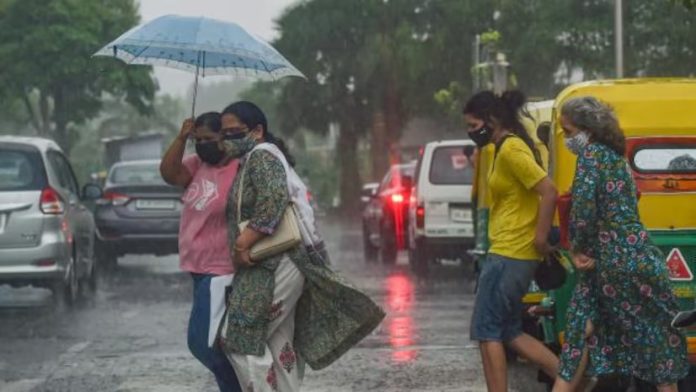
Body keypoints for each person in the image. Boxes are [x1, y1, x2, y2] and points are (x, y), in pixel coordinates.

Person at [215, 101, 385, 392]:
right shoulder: (256, 159)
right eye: (224, 133)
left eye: (235, 132)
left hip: (273, 262)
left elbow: (273, 200)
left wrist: (244, 243)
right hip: (280, 262)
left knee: (239, 337)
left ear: (257, 131)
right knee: (279, 343)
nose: (227, 139)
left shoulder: (262, 156)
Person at [553, 97, 688, 392]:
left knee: (579, 332)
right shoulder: (617, 158)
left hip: (610, 263)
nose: (567, 138)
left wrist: (576, 249)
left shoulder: (590, 157)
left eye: (568, 131)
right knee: (658, 340)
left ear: (587, 129)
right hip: (642, 258)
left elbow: (584, 211)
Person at [464, 90, 560, 392]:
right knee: (508, 330)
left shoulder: (511, 150)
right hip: (512, 253)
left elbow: (549, 191)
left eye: (473, 124)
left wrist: (541, 239)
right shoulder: (501, 149)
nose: (470, 132)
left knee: (487, 330)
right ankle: (570, 377)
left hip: (509, 253)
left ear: (491, 120)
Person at [160, 112, 242, 392]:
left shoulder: (239, 168)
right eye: (199, 139)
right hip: (197, 268)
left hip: (222, 270)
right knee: (214, 342)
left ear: (224, 138)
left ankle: (238, 387)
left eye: (209, 139)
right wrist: (182, 137)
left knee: (201, 343)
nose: (203, 144)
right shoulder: (196, 165)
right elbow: (169, 173)